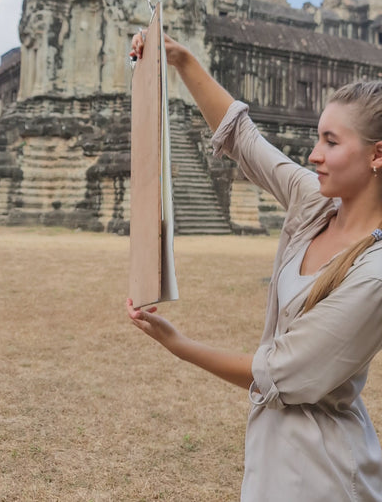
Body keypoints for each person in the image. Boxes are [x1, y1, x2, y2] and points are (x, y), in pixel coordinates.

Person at [127, 32, 382, 501]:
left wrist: (177, 344)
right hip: (271, 453)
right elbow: (243, 139)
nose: (313, 154)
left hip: (324, 472)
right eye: (315, 138)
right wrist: (181, 61)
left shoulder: (375, 274)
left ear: (377, 155)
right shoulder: (315, 204)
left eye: (330, 141)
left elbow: (279, 375)